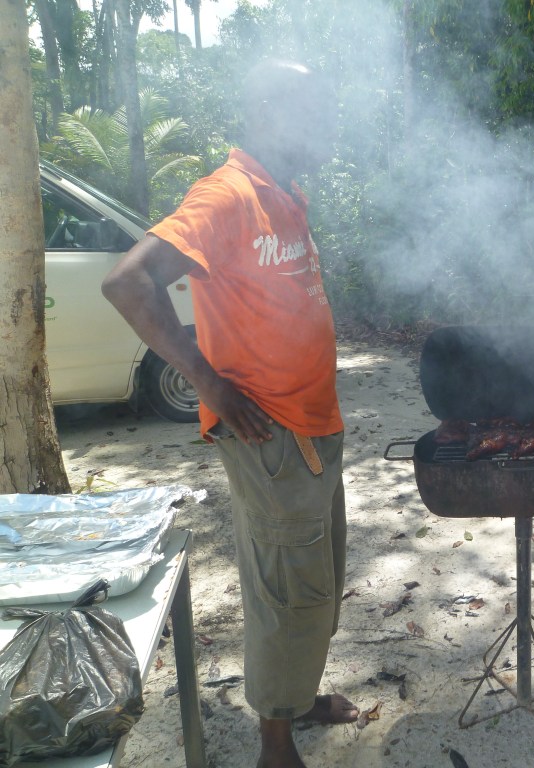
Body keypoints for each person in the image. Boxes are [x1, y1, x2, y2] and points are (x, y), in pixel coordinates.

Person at [102, 59, 357, 768]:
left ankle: (296, 698)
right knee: (287, 590)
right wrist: (207, 384)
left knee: (312, 580)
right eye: (315, 109)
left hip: (311, 428)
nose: (329, 125)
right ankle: (275, 744)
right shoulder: (227, 194)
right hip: (271, 433)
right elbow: (128, 282)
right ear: (272, 113)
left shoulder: (285, 193)